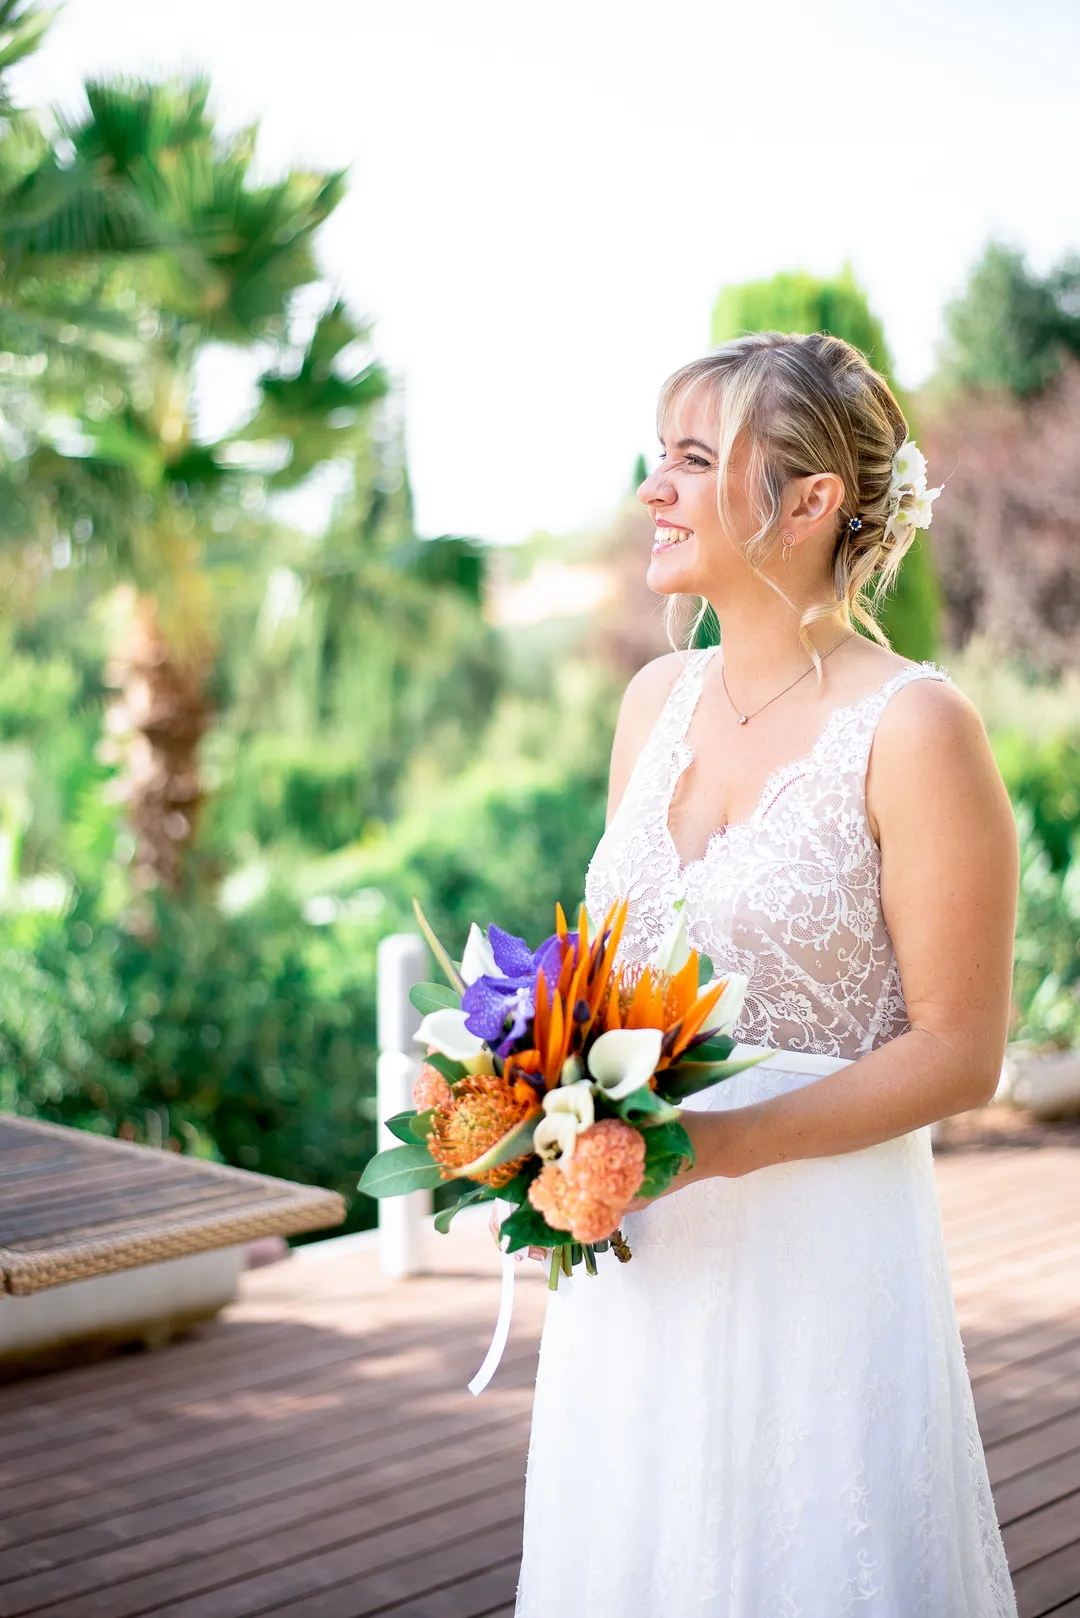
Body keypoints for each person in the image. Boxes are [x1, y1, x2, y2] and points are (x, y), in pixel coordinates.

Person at [511, 332, 1020, 1617]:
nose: (652, 489)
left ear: (809, 503)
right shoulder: (652, 702)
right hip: (636, 1258)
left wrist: (720, 1147)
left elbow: (962, 1051)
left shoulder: (916, 726)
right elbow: (614, 978)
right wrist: (528, 1093)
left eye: (692, 459)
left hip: (820, 1262)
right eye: (660, 455)